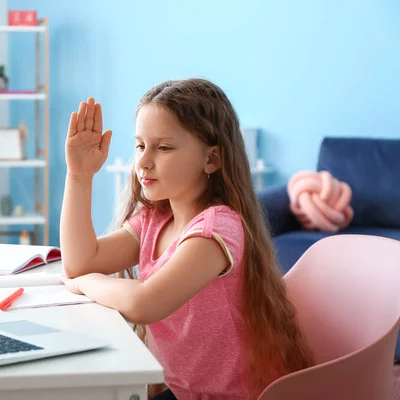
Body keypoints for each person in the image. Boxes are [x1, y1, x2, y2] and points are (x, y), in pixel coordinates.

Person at [59, 78, 314, 400]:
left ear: (212, 159)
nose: (144, 161)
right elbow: (81, 261)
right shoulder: (156, 219)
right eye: (140, 145)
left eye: (163, 147)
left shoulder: (215, 231)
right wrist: (79, 175)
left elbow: (144, 303)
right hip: (185, 392)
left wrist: (85, 283)